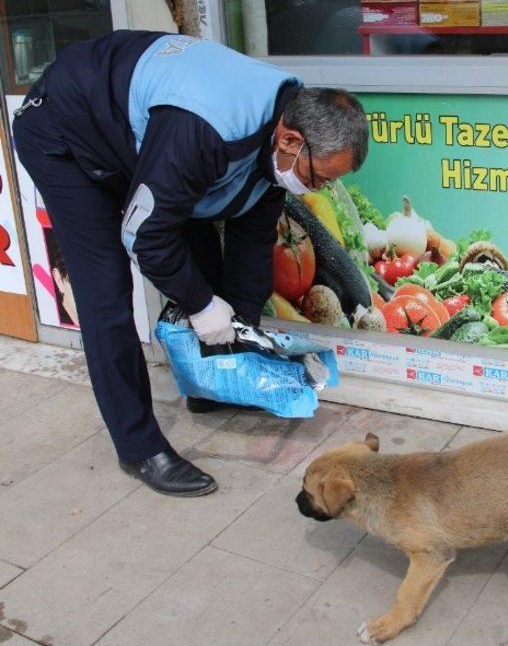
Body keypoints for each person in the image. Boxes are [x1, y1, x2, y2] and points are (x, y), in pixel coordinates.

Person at [13, 30, 369, 497]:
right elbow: (147, 236)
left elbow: (252, 234)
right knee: (105, 290)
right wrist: (203, 307)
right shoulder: (205, 126)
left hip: (139, 135)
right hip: (67, 135)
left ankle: (209, 385)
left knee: (201, 248)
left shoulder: (285, 119)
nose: (320, 191)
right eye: (319, 178)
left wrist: (237, 323)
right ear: (289, 139)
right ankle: (138, 447)